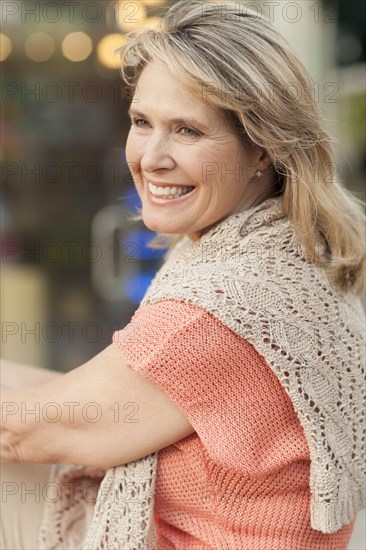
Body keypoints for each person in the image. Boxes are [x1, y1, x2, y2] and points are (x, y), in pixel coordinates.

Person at [1, 1, 365, 548]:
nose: (151, 157)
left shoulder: (226, 303)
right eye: (142, 122)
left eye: (188, 131)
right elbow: (98, 398)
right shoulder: (282, 253)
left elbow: (25, 429)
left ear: (263, 148)